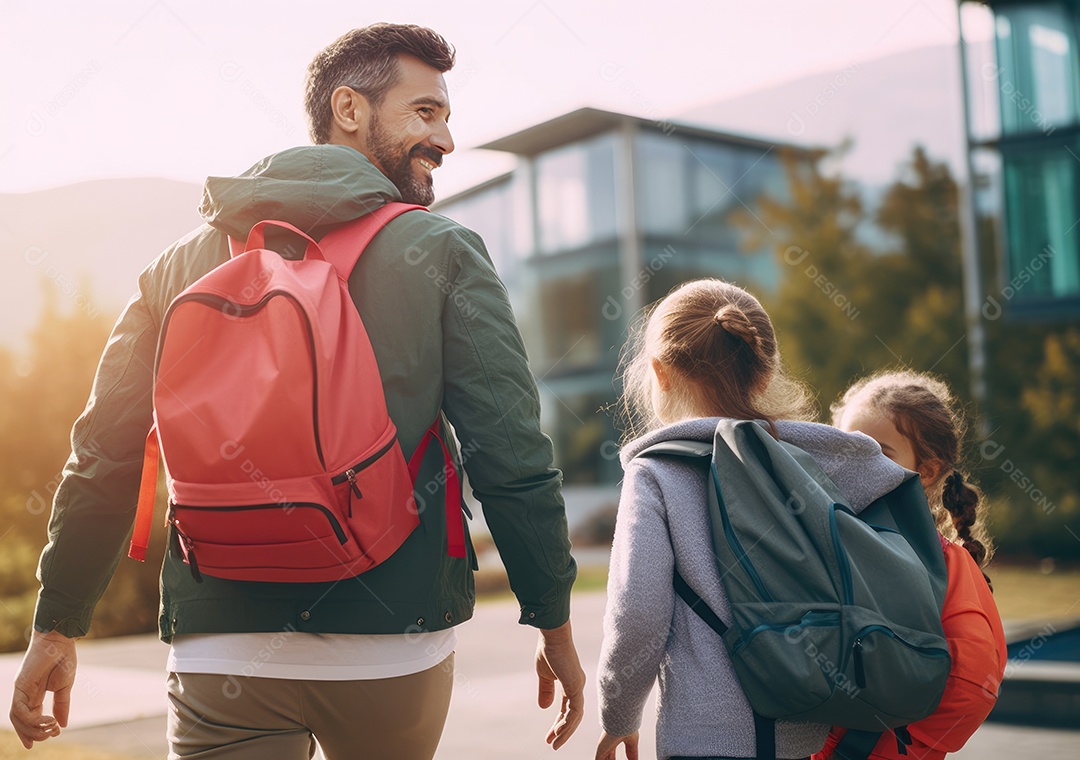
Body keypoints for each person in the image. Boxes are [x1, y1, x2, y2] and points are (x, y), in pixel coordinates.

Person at [10, 23, 585, 760]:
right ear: (348, 108)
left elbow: (103, 456)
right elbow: (510, 452)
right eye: (426, 112)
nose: (444, 138)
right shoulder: (439, 250)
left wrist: (56, 624)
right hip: (391, 641)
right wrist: (553, 619)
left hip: (221, 647)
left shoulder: (176, 266)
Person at [595, 279, 911, 760]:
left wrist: (618, 715)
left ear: (659, 373)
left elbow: (638, 615)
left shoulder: (657, 474)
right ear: (764, 373)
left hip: (704, 738)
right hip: (807, 725)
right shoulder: (823, 462)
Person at [814, 370, 1006, 760]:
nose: (852, 464)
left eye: (876, 452)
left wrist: (857, 746)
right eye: (842, 447)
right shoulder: (823, 539)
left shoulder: (946, 564)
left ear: (929, 471)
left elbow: (972, 687)